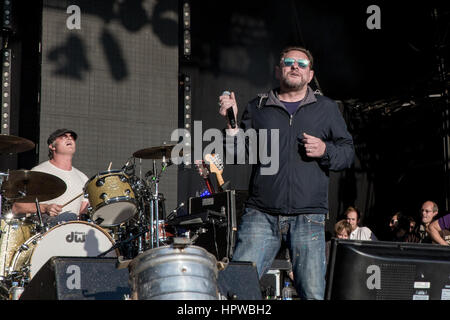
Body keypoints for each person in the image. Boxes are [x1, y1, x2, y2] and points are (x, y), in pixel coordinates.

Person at [218, 46, 354, 299]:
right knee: (234, 290)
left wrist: (325, 150)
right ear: (278, 70)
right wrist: (231, 123)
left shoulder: (326, 108)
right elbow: (239, 155)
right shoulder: (258, 107)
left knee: (313, 294)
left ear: (310, 75)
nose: (295, 67)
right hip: (261, 214)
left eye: (302, 64)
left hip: (308, 215)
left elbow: (347, 153)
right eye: (289, 62)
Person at [12, 129, 89, 224]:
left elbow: (83, 212)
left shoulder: (83, 178)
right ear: (52, 146)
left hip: (73, 235)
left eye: (72, 137)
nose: (69, 138)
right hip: (46, 233)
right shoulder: (39, 172)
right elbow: (17, 207)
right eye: (63, 137)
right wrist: (45, 208)